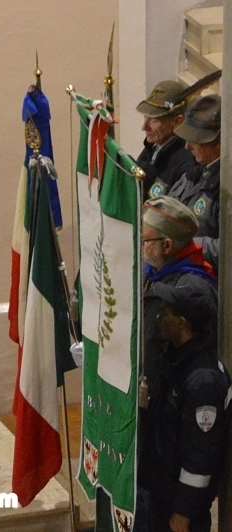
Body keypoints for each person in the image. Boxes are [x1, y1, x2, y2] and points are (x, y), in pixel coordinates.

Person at [137, 275, 230, 532]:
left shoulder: (203, 380)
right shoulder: (176, 360)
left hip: (180, 511)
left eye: (166, 313)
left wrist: (183, 513)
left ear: (182, 323)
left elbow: (201, 455)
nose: (159, 317)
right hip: (161, 494)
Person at [140, 195, 215, 387]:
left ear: (167, 245)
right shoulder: (151, 272)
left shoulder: (192, 288)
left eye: (145, 240)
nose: (141, 246)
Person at [168, 94, 221, 272]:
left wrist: (188, 245)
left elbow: (227, 249)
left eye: (195, 140)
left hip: (206, 281)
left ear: (219, 143)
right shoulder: (194, 173)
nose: (187, 146)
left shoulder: (226, 186)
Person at [135, 80, 198, 198]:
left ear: (177, 122)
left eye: (154, 120)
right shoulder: (154, 146)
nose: (144, 127)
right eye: (145, 117)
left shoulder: (186, 165)